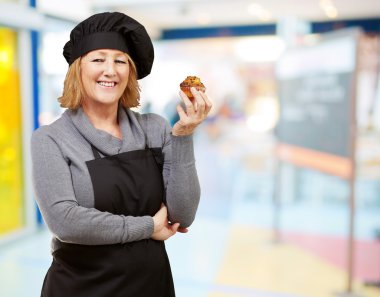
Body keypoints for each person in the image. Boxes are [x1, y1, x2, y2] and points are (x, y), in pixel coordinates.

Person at [31, 12, 212, 297]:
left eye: (120, 60)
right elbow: (65, 222)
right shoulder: (51, 139)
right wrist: (148, 226)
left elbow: (183, 214)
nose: (110, 70)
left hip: (151, 285)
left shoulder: (155, 128)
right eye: (98, 59)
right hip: (80, 287)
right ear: (77, 69)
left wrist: (184, 136)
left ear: (130, 72)